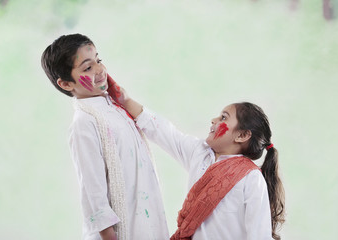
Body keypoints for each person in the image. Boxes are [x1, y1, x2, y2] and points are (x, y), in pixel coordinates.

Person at [107, 78, 285, 240]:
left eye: (223, 117)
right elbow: (164, 131)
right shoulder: (199, 153)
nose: (214, 120)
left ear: (242, 135)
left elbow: (259, 236)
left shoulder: (251, 178)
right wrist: (125, 100)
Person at [41, 33, 169, 240]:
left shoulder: (116, 106)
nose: (100, 70)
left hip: (144, 221)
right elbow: (93, 193)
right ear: (66, 84)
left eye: (98, 60)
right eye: (87, 68)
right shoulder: (85, 123)